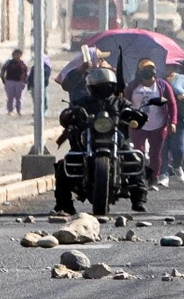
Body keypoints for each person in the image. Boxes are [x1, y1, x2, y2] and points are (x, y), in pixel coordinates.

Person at [53, 67, 149, 213]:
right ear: (92, 88)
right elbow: (66, 115)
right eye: (99, 86)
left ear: (112, 86)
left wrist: (136, 115)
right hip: (87, 142)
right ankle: (63, 202)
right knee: (64, 164)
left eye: (107, 86)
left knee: (135, 159)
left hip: (117, 141)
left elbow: (133, 112)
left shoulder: (120, 102)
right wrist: (70, 113)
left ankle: (139, 198)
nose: (103, 89)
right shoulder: (83, 101)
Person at [124, 59, 178, 188]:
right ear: (139, 72)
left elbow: (171, 104)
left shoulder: (163, 85)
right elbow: (125, 103)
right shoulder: (132, 86)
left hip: (158, 124)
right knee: (139, 151)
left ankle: (153, 178)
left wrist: (173, 122)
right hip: (138, 124)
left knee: (156, 152)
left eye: (151, 69)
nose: (149, 72)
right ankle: (140, 176)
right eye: (145, 69)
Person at [162, 63, 184, 183]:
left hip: (180, 117)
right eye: (165, 66)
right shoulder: (156, 79)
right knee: (162, 147)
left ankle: (177, 166)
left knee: (179, 148)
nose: (167, 68)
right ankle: (163, 173)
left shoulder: (182, 78)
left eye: (170, 66)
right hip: (161, 116)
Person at [0, 49, 29, 116]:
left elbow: (26, 73)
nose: (17, 56)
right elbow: (3, 71)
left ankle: (19, 110)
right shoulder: (9, 63)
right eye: (16, 54)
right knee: (10, 97)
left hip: (20, 82)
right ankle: (10, 110)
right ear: (13, 55)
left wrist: (25, 81)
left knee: (19, 98)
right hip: (10, 81)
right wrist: (4, 81)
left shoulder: (23, 63)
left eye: (19, 54)